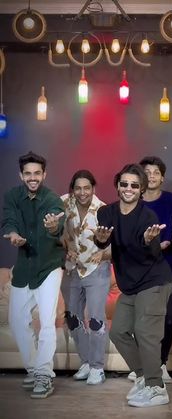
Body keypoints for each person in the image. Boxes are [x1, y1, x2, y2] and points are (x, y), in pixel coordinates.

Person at [94, 163, 172, 408]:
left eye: (135, 185)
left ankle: (157, 387)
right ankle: (143, 377)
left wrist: (149, 240)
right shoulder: (106, 213)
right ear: (118, 186)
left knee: (146, 332)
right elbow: (102, 241)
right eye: (125, 184)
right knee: (118, 332)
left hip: (154, 280)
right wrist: (100, 239)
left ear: (141, 190)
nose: (129, 189)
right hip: (130, 284)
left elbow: (150, 253)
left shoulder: (147, 216)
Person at [1, 151, 65, 399]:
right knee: (17, 321)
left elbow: (57, 225)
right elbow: (8, 220)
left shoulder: (52, 199)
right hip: (25, 265)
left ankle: (44, 373)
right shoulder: (12, 196)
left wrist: (52, 227)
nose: (32, 177)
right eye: (28, 173)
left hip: (49, 265)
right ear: (21, 175)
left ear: (44, 174)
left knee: (46, 322)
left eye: (37, 173)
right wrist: (13, 234)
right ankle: (33, 368)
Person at [131, 155, 172, 384]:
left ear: (162, 178)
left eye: (156, 172)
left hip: (170, 267)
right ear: (141, 177)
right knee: (144, 321)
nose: (151, 176)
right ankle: (143, 366)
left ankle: (161, 365)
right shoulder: (134, 201)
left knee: (169, 318)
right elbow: (130, 236)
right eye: (147, 172)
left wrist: (163, 244)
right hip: (142, 271)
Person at [61, 170, 111, 385]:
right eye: (78, 188)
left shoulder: (104, 210)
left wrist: (104, 253)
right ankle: (86, 362)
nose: (82, 192)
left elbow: (116, 245)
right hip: (72, 269)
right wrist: (66, 249)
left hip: (96, 269)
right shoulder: (63, 204)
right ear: (73, 189)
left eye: (87, 188)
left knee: (96, 320)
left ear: (93, 188)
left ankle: (97, 368)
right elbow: (57, 234)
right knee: (72, 319)